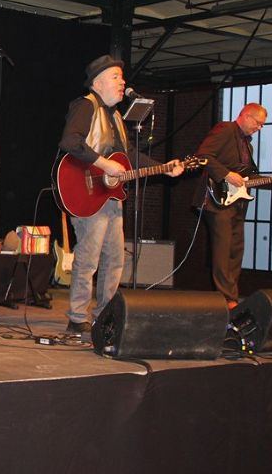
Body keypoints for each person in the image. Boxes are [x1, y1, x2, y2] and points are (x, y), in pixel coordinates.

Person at [58, 55, 183, 334]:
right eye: (116, 76)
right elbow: (70, 141)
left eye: (121, 77)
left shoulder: (115, 116)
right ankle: (77, 316)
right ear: (98, 82)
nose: (122, 82)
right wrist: (103, 164)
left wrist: (163, 168)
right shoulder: (85, 105)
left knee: (115, 258)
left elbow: (128, 157)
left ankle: (104, 314)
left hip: (110, 196)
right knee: (88, 257)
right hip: (86, 191)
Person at [193, 103, 272, 309]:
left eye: (262, 125)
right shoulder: (225, 130)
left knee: (236, 250)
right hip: (216, 200)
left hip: (237, 204)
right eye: (258, 123)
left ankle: (232, 296)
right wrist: (226, 174)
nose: (259, 128)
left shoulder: (247, 146)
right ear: (246, 116)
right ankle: (227, 298)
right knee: (223, 250)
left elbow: (249, 178)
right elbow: (202, 155)